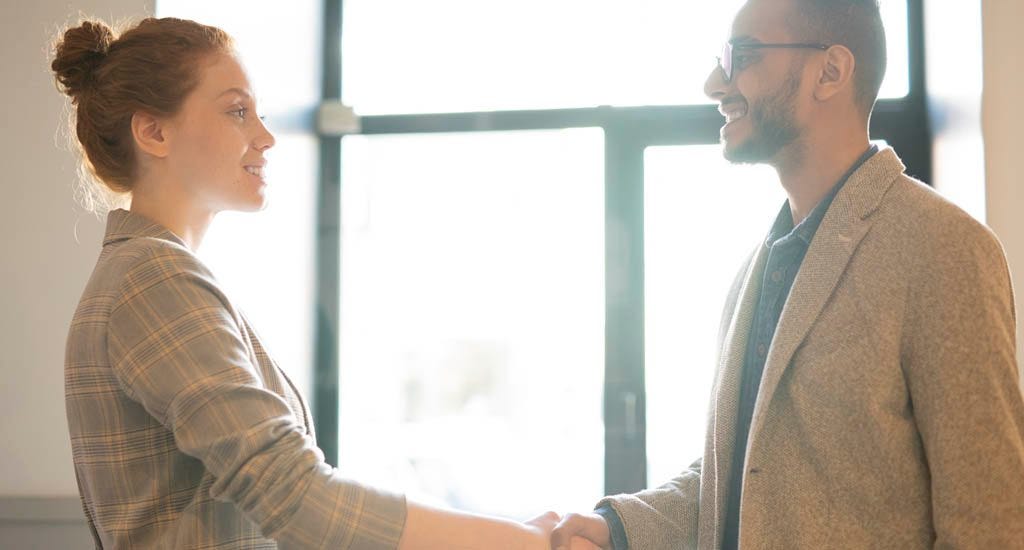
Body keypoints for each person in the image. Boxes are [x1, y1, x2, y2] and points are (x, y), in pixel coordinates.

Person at [54, 16, 591, 549]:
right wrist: (524, 542)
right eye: (238, 111)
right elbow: (294, 497)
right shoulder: (154, 279)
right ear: (154, 132)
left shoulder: (147, 272)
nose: (265, 137)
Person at [551, 0, 1024, 548]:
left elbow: (991, 523)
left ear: (830, 71)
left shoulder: (944, 248)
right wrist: (618, 527)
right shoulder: (755, 272)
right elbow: (744, 484)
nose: (713, 83)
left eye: (742, 56)